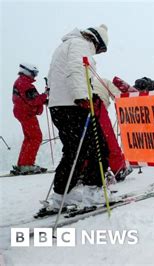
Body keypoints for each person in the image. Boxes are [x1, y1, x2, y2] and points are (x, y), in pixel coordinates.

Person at [45, 24, 111, 212]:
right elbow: (77, 69)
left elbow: (58, 76)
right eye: (100, 49)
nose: (97, 53)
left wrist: (88, 93)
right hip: (73, 105)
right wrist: (82, 96)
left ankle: (61, 194)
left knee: (74, 151)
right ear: (96, 41)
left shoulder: (64, 46)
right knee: (98, 148)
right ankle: (93, 192)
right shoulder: (80, 44)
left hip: (58, 105)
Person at [91, 78, 133, 182]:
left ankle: (84, 171)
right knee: (110, 141)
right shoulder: (104, 81)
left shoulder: (81, 80)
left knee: (90, 144)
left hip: (80, 110)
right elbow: (117, 96)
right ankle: (118, 169)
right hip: (98, 109)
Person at [11, 63, 48, 175]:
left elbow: (30, 98)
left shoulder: (21, 81)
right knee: (36, 137)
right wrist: (45, 95)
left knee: (29, 138)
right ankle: (27, 165)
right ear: (27, 71)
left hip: (22, 112)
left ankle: (22, 164)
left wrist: (43, 99)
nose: (35, 76)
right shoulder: (24, 83)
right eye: (34, 73)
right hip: (27, 114)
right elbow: (34, 100)